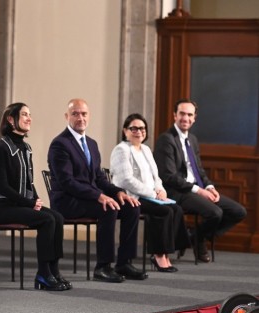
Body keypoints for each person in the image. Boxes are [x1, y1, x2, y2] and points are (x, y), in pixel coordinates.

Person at [47, 98, 147, 283]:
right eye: (75, 113)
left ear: (89, 116)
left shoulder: (91, 144)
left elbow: (99, 178)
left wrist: (118, 192)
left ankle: (124, 262)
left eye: (84, 114)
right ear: (67, 116)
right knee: (108, 208)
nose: (80, 117)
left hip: (88, 198)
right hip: (67, 201)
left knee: (132, 207)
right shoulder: (59, 144)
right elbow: (68, 182)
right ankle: (103, 266)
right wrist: (100, 196)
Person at [0, 102, 70, 291]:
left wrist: (37, 200)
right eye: (24, 114)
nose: (29, 118)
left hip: (19, 205)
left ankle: (54, 271)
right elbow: (2, 185)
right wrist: (29, 202)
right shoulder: (2, 148)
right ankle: (43, 274)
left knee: (56, 217)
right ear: (11, 119)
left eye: (29, 114)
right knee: (47, 220)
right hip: (2, 209)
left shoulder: (27, 148)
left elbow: (29, 183)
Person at [153, 98, 247, 262]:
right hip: (178, 191)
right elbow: (169, 176)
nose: (185, 118)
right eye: (182, 113)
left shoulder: (193, 140)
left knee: (238, 212)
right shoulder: (166, 139)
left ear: (194, 118)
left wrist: (210, 186)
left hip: (197, 189)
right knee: (215, 213)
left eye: (190, 115)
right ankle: (198, 239)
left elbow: (199, 171)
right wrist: (199, 190)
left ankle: (195, 237)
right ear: (174, 115)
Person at [110, 113, 190, 272]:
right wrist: (153, 194)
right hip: (131, 196)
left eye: (142, 128)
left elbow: (156, 176)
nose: (138, 131)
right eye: (133, 128)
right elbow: (126, 180)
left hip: (150, 195)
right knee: (164, 210)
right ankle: (158, 255)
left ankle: (166, 252)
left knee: (177, 209)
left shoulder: (146, 149)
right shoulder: (121, 149)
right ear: (125, 131)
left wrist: (160, 190)